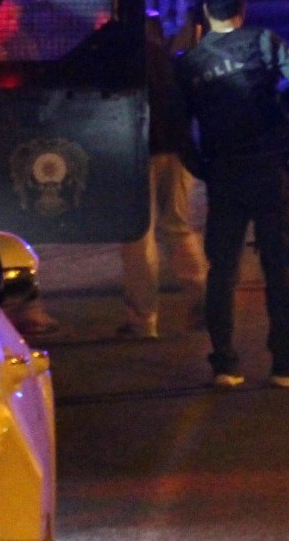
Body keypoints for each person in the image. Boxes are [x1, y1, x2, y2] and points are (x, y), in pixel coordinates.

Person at [174, 0, 289, 389]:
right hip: (270, 169)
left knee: (222, 269)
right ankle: (286, 363)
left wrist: (202, 165)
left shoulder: (189, 64)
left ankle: (225, 363)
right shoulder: (263, 41)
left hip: (224, 174)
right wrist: (278, 109)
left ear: (207, 12)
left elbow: (179, 127)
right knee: (279, 267)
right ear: (243, 8)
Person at [117, 21, 208, 339]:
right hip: (177, 150)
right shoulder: (168, 61)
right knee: (178, 228)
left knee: (138, 237)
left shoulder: (121, 61)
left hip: (137, 154)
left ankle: (143, 320)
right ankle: (206, 303)